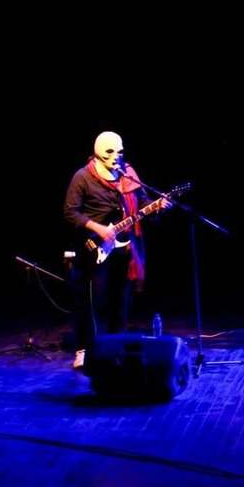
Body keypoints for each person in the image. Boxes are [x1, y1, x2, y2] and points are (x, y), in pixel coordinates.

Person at [64, 130, 173, 370]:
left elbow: (143, 204)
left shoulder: (128, 175)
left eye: (120, 152)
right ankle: (85, 349)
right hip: (94, 248)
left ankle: (115, 348)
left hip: (123, 248)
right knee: (93, 303)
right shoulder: (83, 177)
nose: (116, 157)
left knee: (120, 301)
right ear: (98, 153)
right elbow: (71, 212)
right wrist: (98, 228)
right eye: (110, 152)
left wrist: (157, 206)